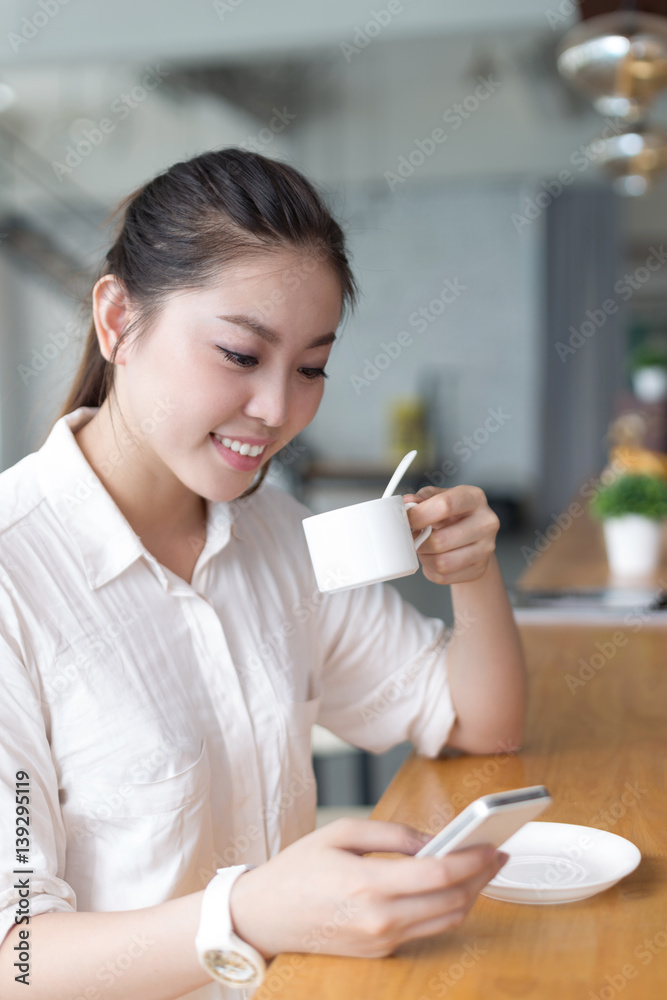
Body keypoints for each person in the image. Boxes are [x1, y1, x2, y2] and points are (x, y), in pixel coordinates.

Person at [0, 147, 526, 1000]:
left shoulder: (276, 532)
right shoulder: (14, 577)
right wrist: (242, 915)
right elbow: (14, 961)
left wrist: (472, 574)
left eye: (311, 368)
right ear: (117, 321)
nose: (279, 411)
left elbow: (477, 723)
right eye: (241, 356)